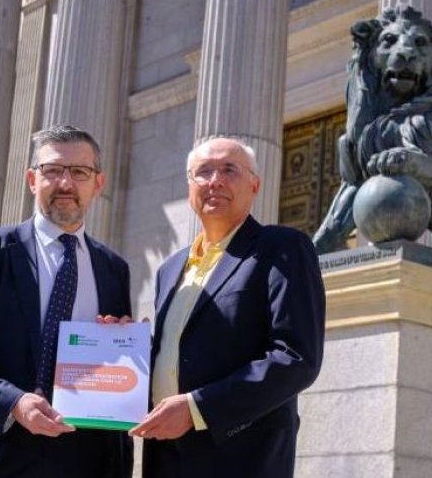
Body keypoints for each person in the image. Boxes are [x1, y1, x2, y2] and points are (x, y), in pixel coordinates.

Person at [0, 126, 133, 478]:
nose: (65, 184)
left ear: (98, 184)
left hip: (84, 459)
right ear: (31, 179)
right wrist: (14, 403)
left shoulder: (114, 269)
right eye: (52, 170)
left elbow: (113, 366)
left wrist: (122, 347)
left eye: (79, 172)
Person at [130, 137, 326, 478]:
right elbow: (176, 357)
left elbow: (295, 358)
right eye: (203, 172)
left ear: (255, 184)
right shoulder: (171, 269)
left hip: (242, 458)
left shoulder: (282, 248)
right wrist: (122, 346)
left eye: (229, 170)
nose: (215, 181)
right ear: (190, 187)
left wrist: (196, 409)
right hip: (165, 459)